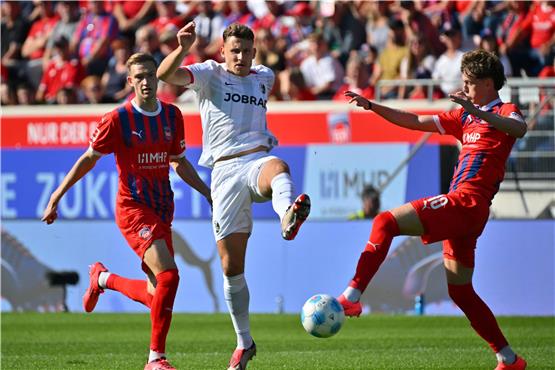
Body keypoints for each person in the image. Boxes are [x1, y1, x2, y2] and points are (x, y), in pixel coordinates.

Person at [339, 49, 528, 370]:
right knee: (461, 292)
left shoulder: (504, 110)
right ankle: (509, 359)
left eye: (469, 83)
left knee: (385, 221)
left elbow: (518, 129)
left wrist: (477, 112)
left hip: (467, 202)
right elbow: (414, 121)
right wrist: (372, 106)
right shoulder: (463, 117)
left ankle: (352, 297)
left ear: (487, 83)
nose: (464, 88)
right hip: (468, 212)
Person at [42, 52, 211, 370]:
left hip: (162, 207)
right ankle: (155, 359)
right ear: (130, 81)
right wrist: (57, 195)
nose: (146, 81)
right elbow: (89, 159)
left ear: (157, 77)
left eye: (150, 74)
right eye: (139, 76)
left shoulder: (173, 116)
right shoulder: (117, 120)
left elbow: (179, 161)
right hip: (133, 208)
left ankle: (102, 279)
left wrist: (207, 192)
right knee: (169, 277)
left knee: (155, 295)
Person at [157, 22, 311, 370]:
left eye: (246, 51)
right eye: (234, 51)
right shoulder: (209, 74)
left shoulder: (264, 77)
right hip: (224, 172)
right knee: (231, 268)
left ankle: (287, 214)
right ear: (222, 52)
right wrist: (182, 47)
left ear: (254, 53)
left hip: (256, 159)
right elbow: (166, 75)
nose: (240, 56)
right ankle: (244, 343)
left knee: (279, 168)